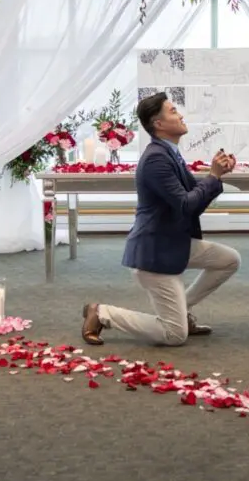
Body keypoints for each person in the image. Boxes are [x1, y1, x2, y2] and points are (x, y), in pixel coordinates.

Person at [81, 91, 240, 346]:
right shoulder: (157, 158)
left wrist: (216, 177)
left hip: (171, 242)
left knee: (229, 260)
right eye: (174, 111)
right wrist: (213, 176)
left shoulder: (169, 153)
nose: (181, 115)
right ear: (158, 124)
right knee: (175, 336)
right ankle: (101, 313)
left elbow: (192, 204)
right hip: (155, 253)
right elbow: (187, 205)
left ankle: (179, 309)